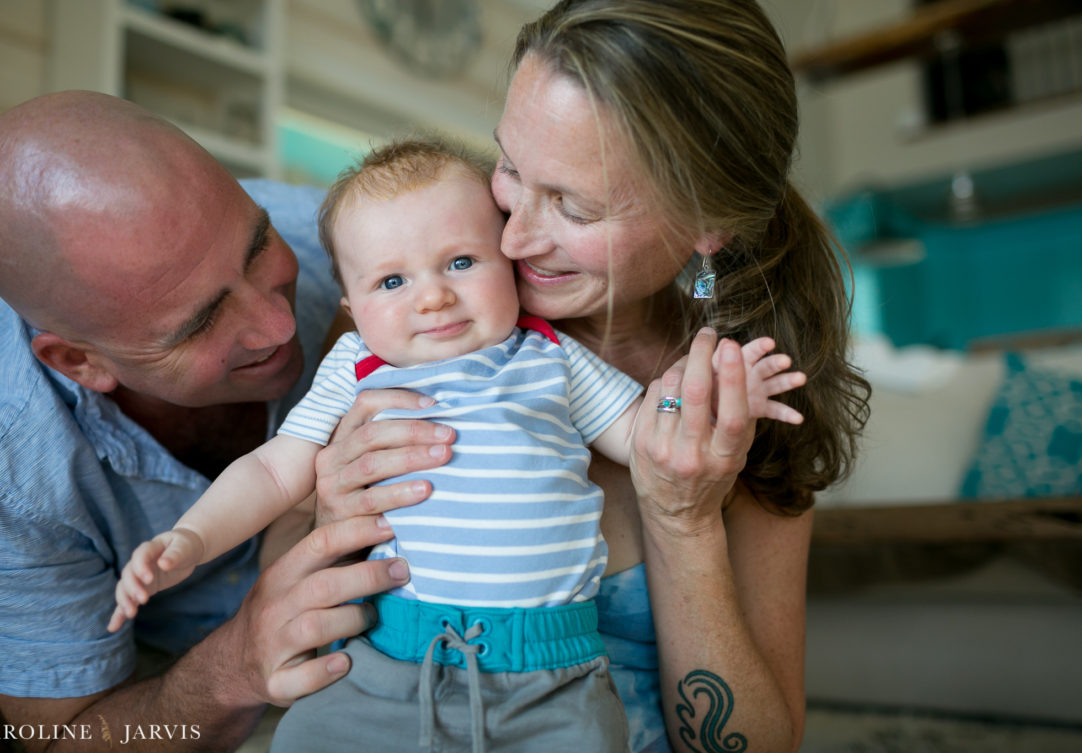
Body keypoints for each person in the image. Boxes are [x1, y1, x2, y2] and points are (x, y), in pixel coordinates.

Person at [110, 137, 806, 753]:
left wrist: (716, 394)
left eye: (461, 262)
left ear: (506, 261)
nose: (433, 297)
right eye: (392, 280)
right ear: (353, 305)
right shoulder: (355, 367)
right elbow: (273, 468)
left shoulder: (548, 357)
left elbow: (649, 434)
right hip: (391, 660)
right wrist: (192, 539)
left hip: (555, 674)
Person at [311, 2, 872, 753]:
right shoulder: (412, 317)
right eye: (509, 166)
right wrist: (330, 514)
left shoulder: (751, 394)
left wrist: (684, 520)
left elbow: (759, 745)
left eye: (572, 205)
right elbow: (287, 631)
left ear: (705, 223)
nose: (510, 235)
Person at [0, 91, 414, 753]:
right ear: (80, 361)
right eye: (201, 322)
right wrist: (236, 664)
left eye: (258, 249)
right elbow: (65, 740)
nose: (280, 326)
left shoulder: (341, 236)